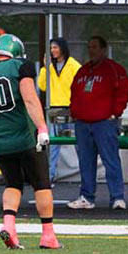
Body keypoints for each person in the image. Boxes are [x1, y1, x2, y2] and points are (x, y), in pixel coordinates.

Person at [0, 33, 61, 250]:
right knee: (41, 184)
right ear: (17, 52)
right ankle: (48, 235)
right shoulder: (20, 66)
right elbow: (29, 99)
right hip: (25, 139)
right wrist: (42, 127)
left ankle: (9, 225)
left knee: (13, 184)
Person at [68, 35, 128, 210]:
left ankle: (117, 197)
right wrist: (75, 111)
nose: (91, 50)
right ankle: (86, 197)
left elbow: (124, 91)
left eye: (95, 47)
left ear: (103, 50)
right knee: (85, 162)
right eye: (89, 47)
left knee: (110, 160)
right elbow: (74, 92)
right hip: (83, 123)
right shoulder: (82, 71)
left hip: (104, 123)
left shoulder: (113, 69)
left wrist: (115, 113)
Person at [37, 37, 81, 184]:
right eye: (51, 48)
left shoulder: (73, 65)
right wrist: (44, 67)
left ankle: (86, 175)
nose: (53, 51)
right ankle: (50, 176)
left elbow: (82, 83)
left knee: (78, 144)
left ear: (62, 48)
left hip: (71, 110)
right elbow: (42, 86)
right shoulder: (49, 67)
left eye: (55, 47)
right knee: (54, 144)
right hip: (55, 110)